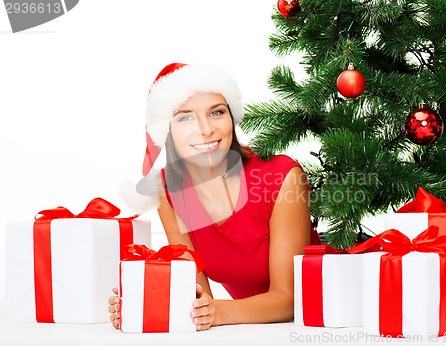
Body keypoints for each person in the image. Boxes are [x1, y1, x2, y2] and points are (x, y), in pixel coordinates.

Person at [109, 62, 321, 331]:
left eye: (216, 112)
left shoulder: (280, 176)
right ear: (167, 130)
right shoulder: (170, 191)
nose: (206, 129)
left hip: (319, 323)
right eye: (185, 117)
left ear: (231, 116)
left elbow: (288, 299)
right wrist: (140, 304)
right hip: (253, 333)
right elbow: (196, 298)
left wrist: (217, 311)